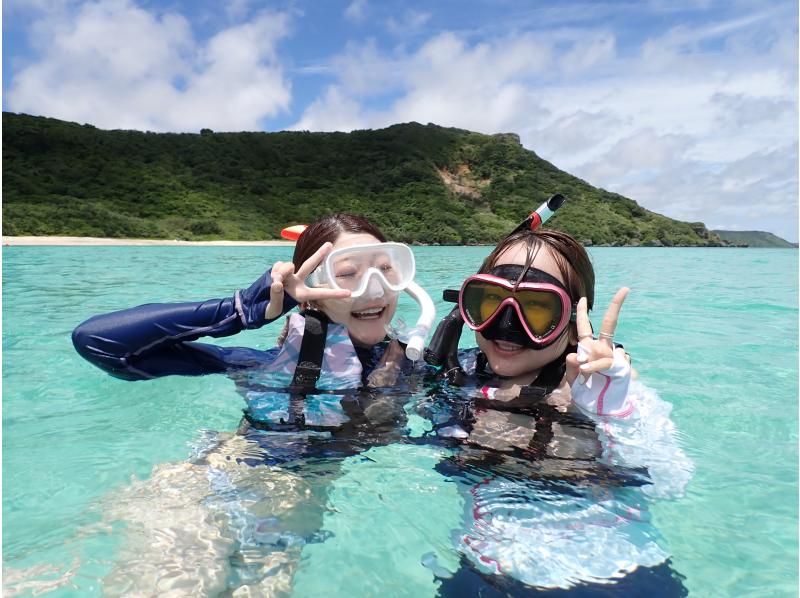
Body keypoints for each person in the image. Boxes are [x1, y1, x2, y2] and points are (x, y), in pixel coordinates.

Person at [71, 213, 434, 594]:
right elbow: (99, 342)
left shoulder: (414, 366)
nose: (374, 289)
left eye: (385, 270)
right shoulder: (262, 365)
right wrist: (242, 309)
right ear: (311, 287)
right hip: (211, 487)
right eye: (348, 273)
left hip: (296, 506)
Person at [419, 225, 693, 596]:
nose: (506, 324)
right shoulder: (456, 375)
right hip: (487, 568)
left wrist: (612, 416)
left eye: (536, 307)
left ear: (571, 322)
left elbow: (671, 484)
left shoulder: (608, 390)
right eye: (490, 300)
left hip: (618, 571)